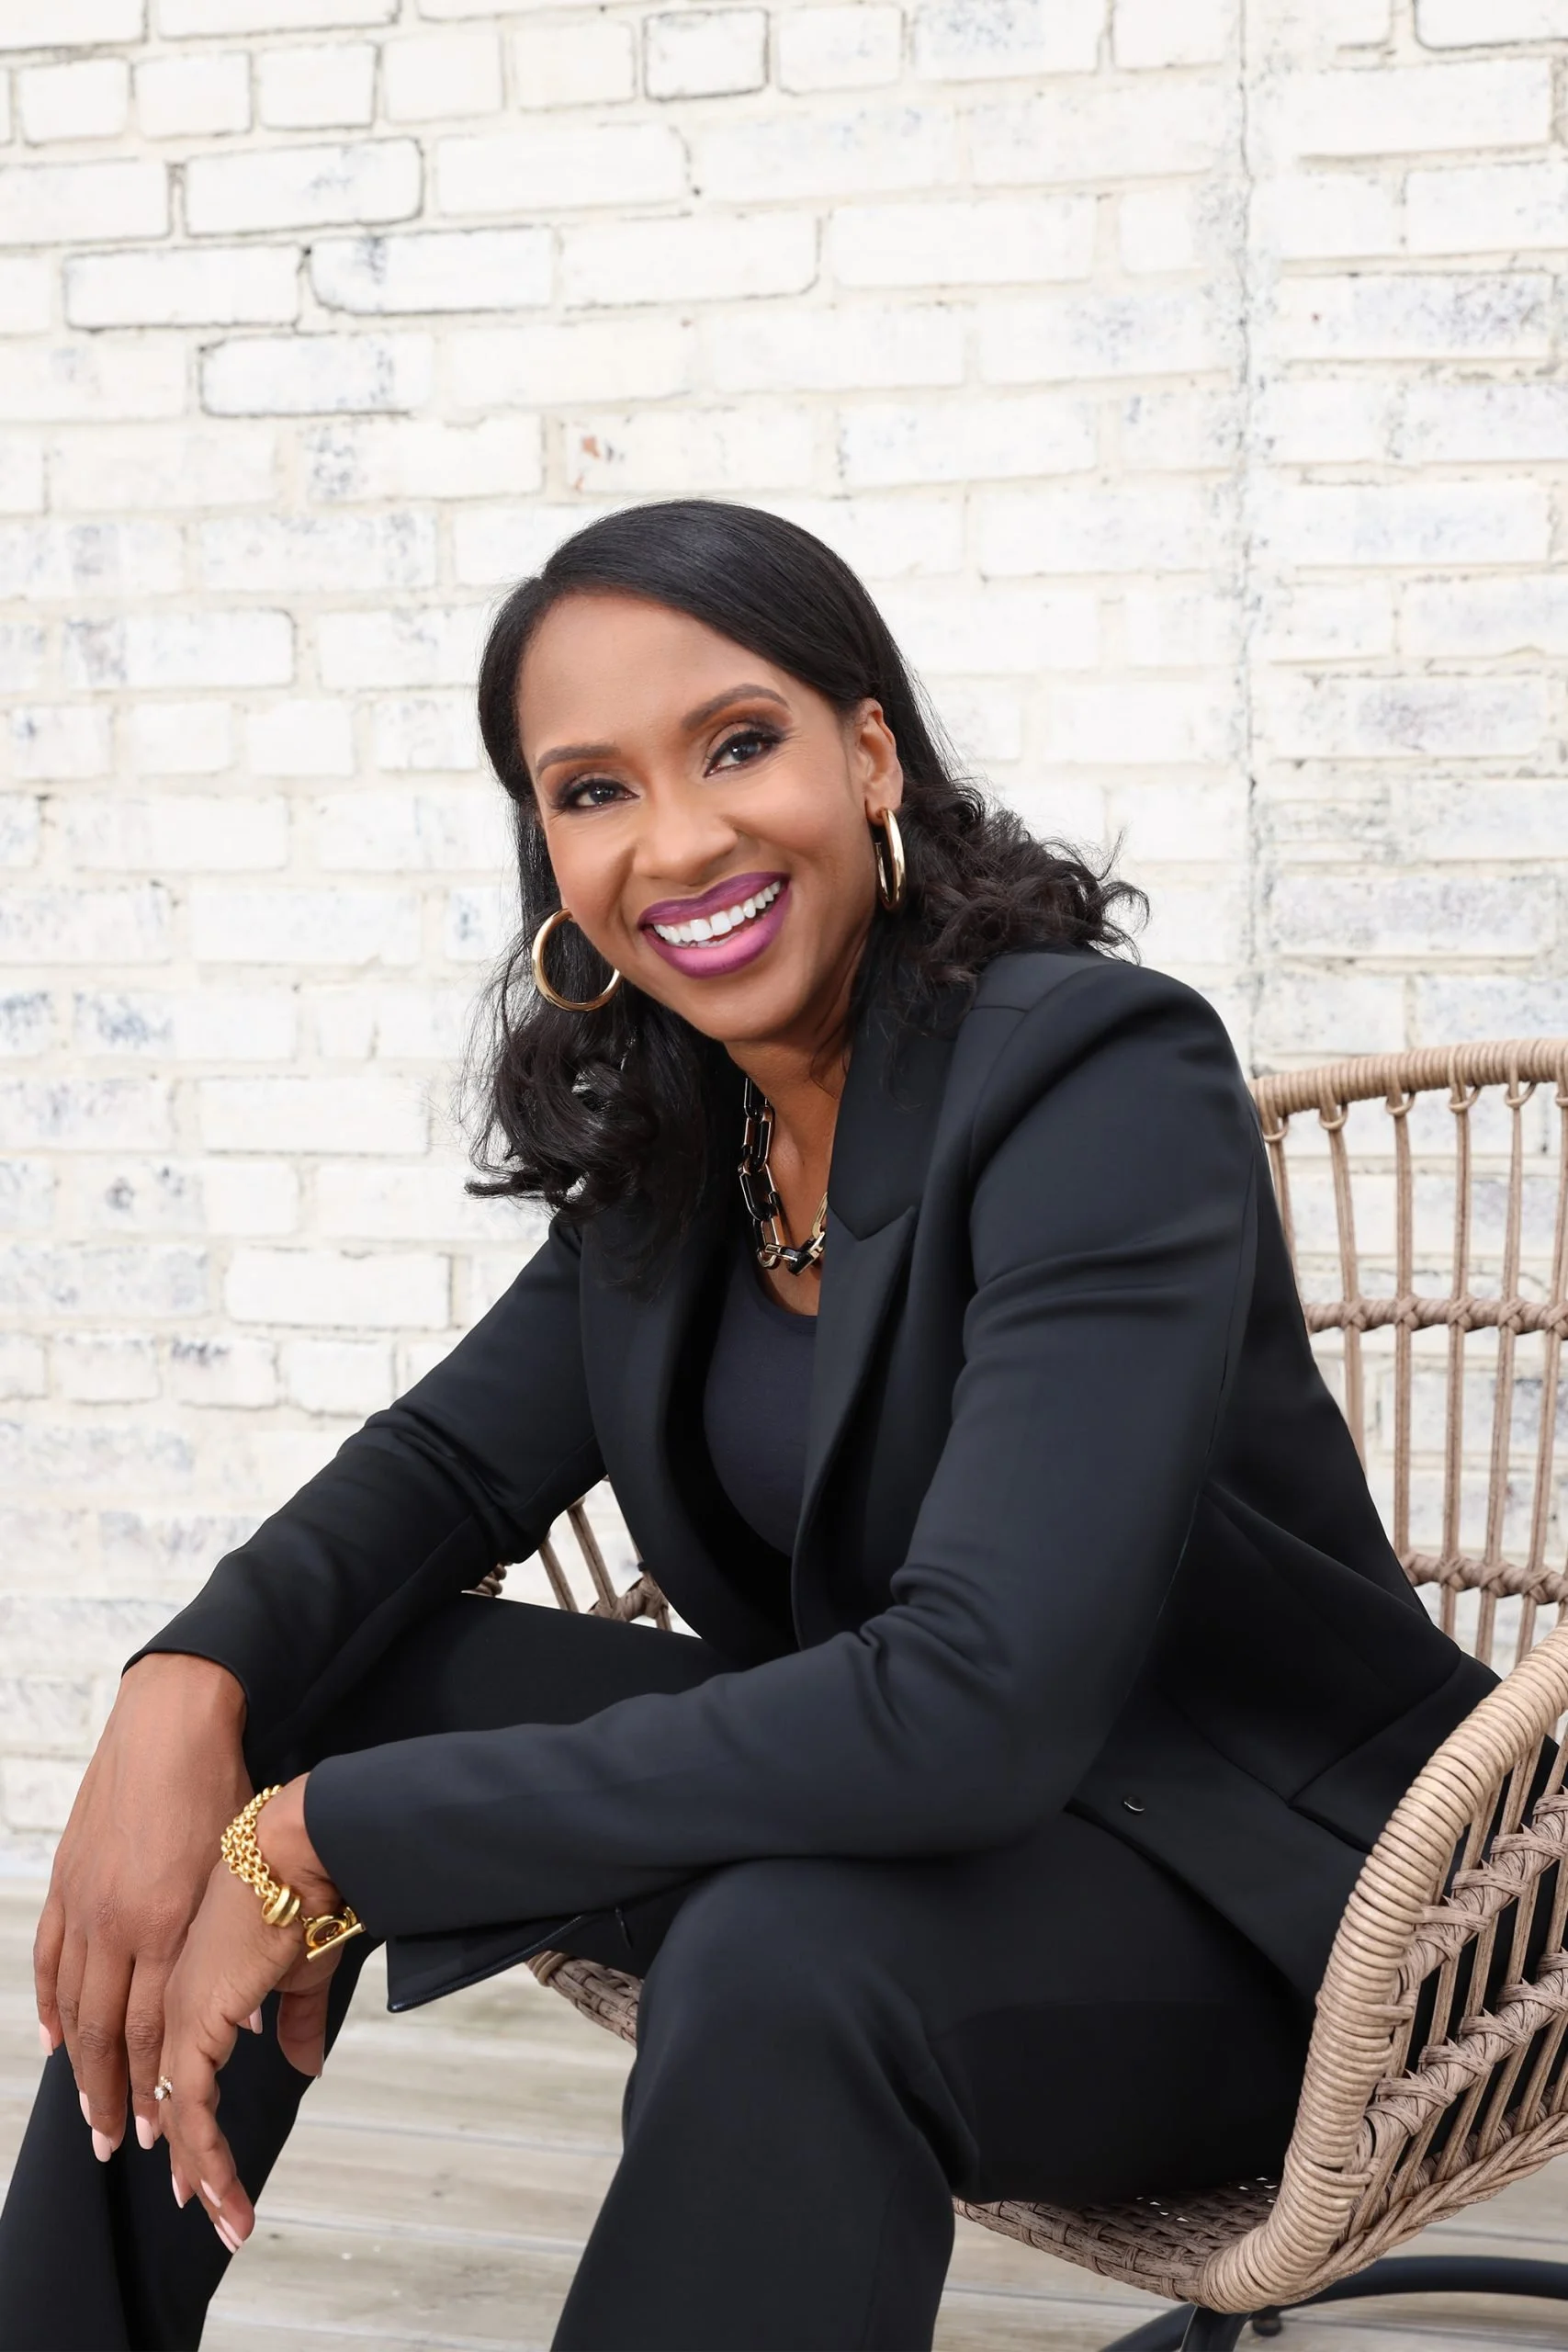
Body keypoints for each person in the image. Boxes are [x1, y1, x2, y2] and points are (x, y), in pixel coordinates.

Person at [0, 501, 1492, 2352]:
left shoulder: (1098, 1075)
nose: (680, 838)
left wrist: (329, 1841)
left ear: (868, 755)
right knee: (287, 1692)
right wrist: (182, 1687)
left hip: (1281, 1921)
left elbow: (973, 1703)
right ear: (550, 853)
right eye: (592, 789)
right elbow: (443, 1468)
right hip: (914, 1828)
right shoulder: (681, 1133)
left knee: (781, 1956)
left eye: (734, 744)